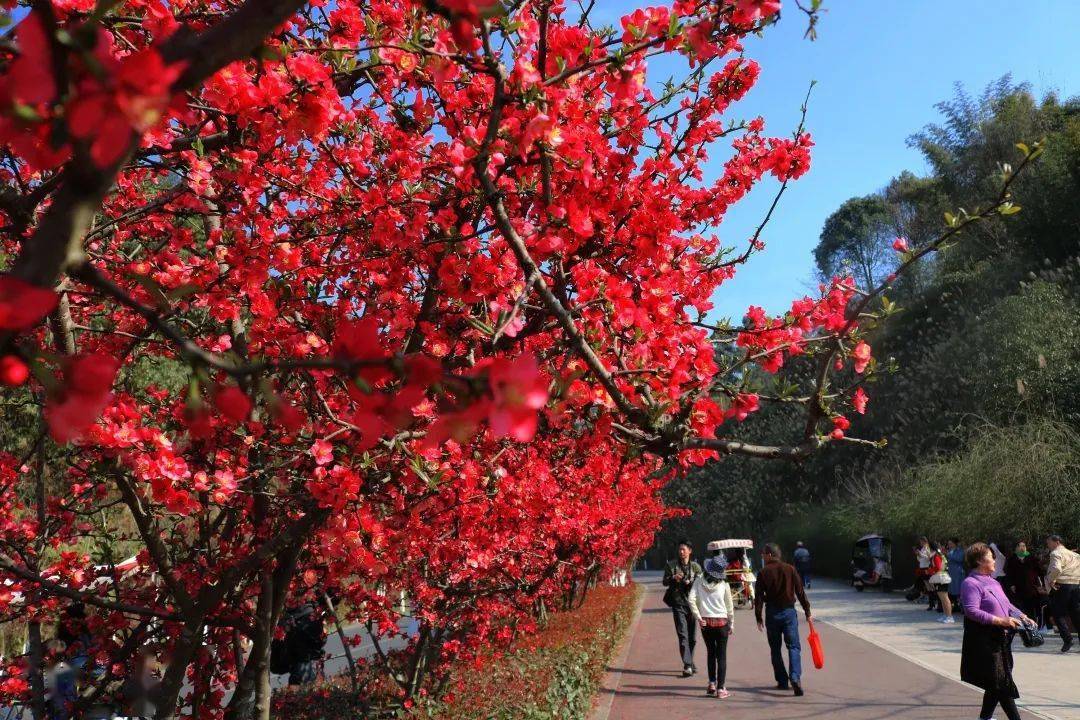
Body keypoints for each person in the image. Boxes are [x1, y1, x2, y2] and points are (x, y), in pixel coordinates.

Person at [960, 542, 1032, 720]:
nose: (995, 560)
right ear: (979, 561)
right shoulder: (971, 583)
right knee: (1001, 682)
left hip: (1002, 639)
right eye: (991, 557)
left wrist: (1022, 616)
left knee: (997, 682)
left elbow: (1006, 605)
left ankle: (985, 718)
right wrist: (1001, 621)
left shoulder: (994, 582)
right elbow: (971, 611)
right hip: (985, 641)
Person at [754, 543, 811, 697]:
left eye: (763, 554)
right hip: (789, 613)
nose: (762, 557)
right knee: (793, 646)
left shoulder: (763, 572)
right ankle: (795, 677)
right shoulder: (790, 569)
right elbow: (800, 591)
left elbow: (758, 597)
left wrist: (758, 617)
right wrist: (807, 610)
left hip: (772, 613)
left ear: (770, 555)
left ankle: (782, 680)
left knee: (775, 648)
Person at [688, 556, 735, 699]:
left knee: (711, 653)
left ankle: (712, 683)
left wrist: (698, 617)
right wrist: (731, 623)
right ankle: (721, 689)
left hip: (706, 623)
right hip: (722, 623)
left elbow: (691, 599)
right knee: (722, 656)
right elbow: (729, 606)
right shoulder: (724, 585)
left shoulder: (698, 581)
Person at [663, 540, 702, 676]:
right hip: (678, 603)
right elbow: (664, 582)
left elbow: (701, 584)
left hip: (692, 605)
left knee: (692, 637)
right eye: (679, 549)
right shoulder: (671, 565)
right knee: (683, 635)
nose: (681, 552)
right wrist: (673, 578)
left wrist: (691, 582)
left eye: (684, 549)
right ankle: (687, 665)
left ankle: (690, 661)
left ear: (690, 551)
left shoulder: (696, 567)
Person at [1044, 534, 1080, 652]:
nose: (1048, 545)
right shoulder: (1075, 555)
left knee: (1057, 613)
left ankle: (1067, 639)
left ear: (1057, 542)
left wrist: (1050, 579)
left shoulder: (1055, 553)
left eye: (1049, 542)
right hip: (1076, 585)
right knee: (1076, 614)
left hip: (1062, 585)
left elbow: (1057, 569)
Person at [283, 601, 327, 687]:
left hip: (302, 618)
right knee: (301, 665)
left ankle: (311, 687)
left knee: (303, 662)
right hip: (300, 618)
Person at [928, 542, 955, 623]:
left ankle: (950, 616)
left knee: (945, 598)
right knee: (942, 598)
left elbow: (938, 567)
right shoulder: (939, 554)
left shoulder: (936, 555)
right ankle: (946, 615)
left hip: (942, 578)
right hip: (940, 578)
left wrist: (928, 571)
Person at [946, 538, 965, 610]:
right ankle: (955, 605)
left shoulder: (960, 551)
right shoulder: (950, 551)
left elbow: (959, 559)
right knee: (952, 590)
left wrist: (949, 554)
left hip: (958, 572)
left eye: (950, 543)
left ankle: (962, 607)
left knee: (959, 590)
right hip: (951, 572)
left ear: (955, 544)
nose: (949, 545)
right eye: (948, 544)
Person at [914, 536, 933, 608]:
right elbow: (920, 559)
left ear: (925, 541)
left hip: (926, 567)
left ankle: (932, 601)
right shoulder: (922, 548)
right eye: (920, 542)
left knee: (930, 585)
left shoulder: (928, 548)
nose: (921, 543)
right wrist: (918, 555)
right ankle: (931, 603)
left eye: (922, 542)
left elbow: (928, 558)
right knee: (927, 584)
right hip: (922, 567)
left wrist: (921, 554)